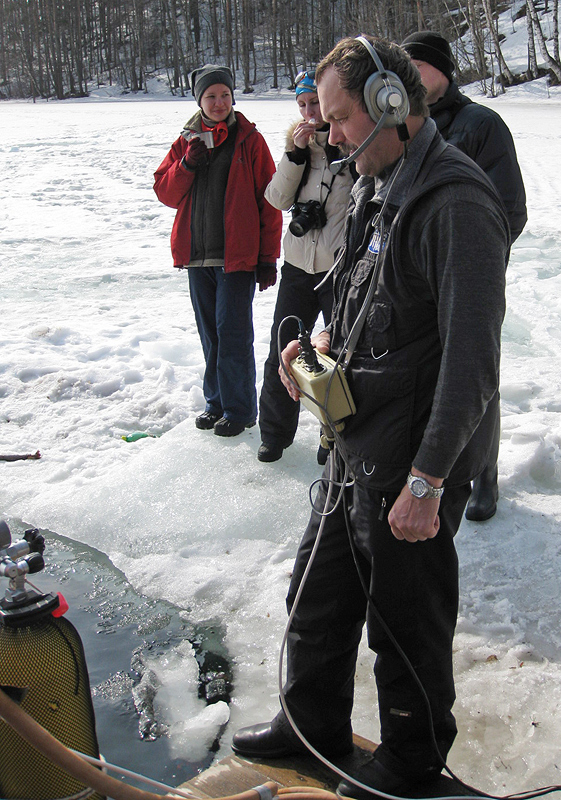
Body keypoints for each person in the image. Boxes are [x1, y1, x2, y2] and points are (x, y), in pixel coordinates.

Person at [231, 35, 509, 799]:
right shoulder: (376, 180)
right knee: (314, 600)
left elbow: (471, 361)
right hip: (355, 443)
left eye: (342, 116)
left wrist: (428, 479)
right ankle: (310, 723)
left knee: (404, 629)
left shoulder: (454, 201)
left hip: (411, 461)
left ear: (392, 101)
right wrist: (319, 346)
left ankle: (411, 763)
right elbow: (353, 293)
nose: (331, 133)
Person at [401, 31, 527, 520]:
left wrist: (473, 261)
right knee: (431, 375)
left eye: (420, 66)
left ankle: (484, 475)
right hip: (414, 283)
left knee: (474, 373)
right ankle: (431, 466)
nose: (411, 76)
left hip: (466, 278)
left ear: (445, 70)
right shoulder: (405, 125)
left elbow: (509, 207)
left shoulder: (480, 124)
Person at [154, 65, 282, 437]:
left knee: (233, 334)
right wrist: (187, 164)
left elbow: (269, 201)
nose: (219, 102)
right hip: (198, 256)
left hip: (236, 257)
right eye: (211, 96)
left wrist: (267, 258)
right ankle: (216, 404)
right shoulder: (186, 140)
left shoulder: (250, 139)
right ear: (200, 100)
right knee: (210, 334)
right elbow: (166, 192)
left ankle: (240, 409)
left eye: (224, 94)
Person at [257, 70, 355, 464]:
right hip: (298, 265)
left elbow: (365, 189)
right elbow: (277, 198)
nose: (309, 112)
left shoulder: (348, 142)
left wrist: (336, 154)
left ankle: (333, 437)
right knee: (281, 351)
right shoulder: (295, 148)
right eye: (301, 105)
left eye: (315, 103)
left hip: (337, 267)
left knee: (339, 357)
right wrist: (294, 155)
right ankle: (274, 435)